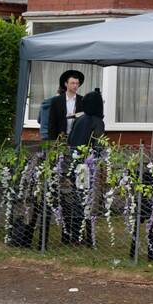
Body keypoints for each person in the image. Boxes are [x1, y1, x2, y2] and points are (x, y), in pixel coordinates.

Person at [62, 89, 105, 245]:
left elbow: (70, 141)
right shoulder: (97, 122)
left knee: (77, 199)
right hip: (86, 165)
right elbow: (99, 146)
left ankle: (73, 234)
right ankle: (79, 236)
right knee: (84, 202)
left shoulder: (79, 120)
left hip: (74, 163)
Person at [44, 69, 85, 142]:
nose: (75, 85)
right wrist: (53, 142)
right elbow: (51, 123)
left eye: (77, 83)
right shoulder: (56, 101)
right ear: (66, 84)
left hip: (77, 138)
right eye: (72, 83)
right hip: (60, 139)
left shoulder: (83, 100)